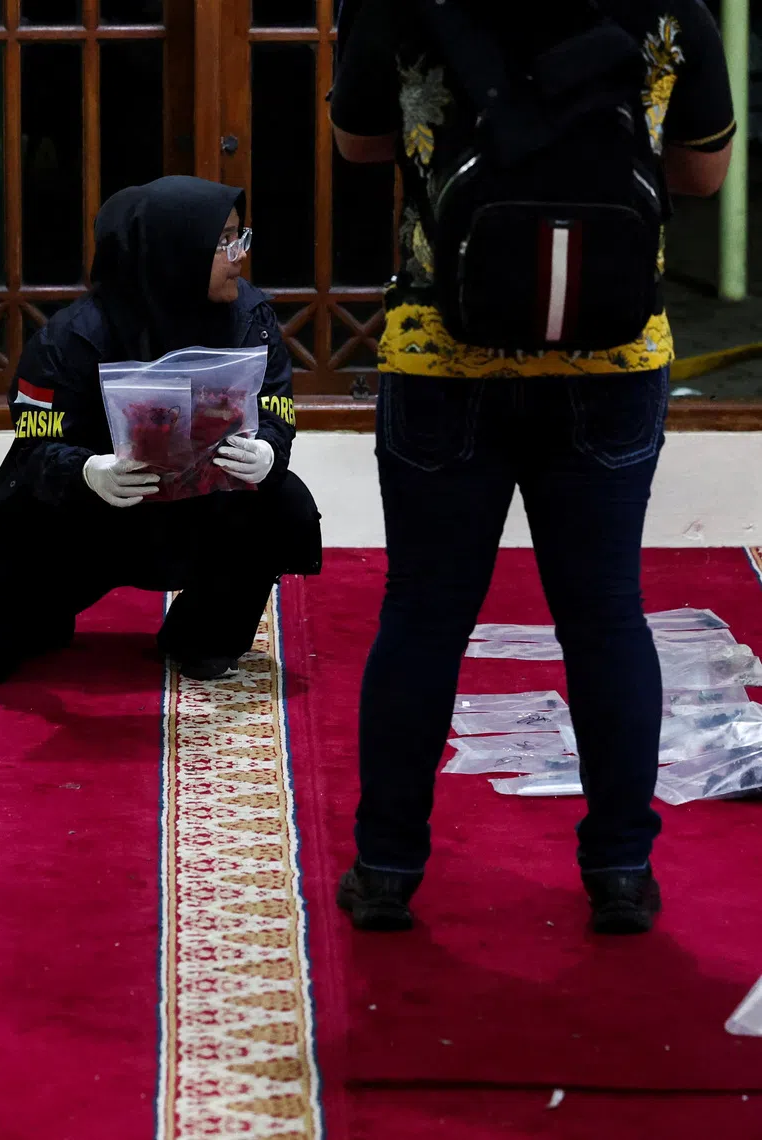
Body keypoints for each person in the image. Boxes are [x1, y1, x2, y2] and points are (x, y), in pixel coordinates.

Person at [330, 0, 736, 935]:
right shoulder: (672, 6)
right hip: (614, 354)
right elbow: (700, 171)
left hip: (443, 349)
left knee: (425, 615)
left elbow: (361, 146)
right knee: (603, 616)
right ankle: (621, 871)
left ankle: (388, 868)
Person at [0, 176, 322, 686]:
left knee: (283, 499)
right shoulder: (75, 335)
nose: (238, 254)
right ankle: (40, 613)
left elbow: (276, 407)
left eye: (240, 236)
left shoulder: (250, 318)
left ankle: (204, 634)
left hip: (199, 513)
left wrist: (268, 449)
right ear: (174, 249)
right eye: (222, 241)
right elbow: (35, 442)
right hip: (85, 517)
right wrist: (87, 471)